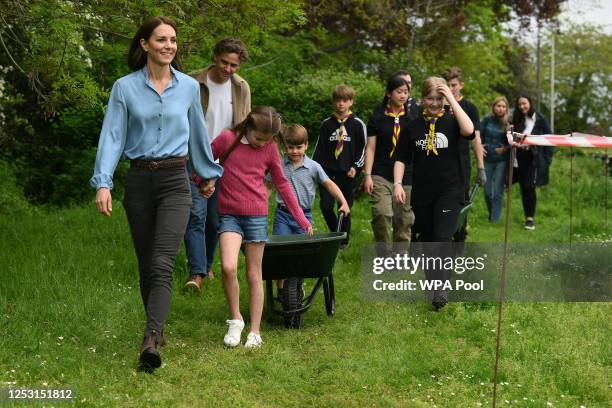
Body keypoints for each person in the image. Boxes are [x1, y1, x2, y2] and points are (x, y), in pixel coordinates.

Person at [90, 16, 222, 372]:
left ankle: (151, 337)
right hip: (138, 183)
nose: (169, 46)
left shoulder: (189, 88)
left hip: (176, 180)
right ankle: (155, 330)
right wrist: (103, 181)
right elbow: (113, 136)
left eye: (173, 40)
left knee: (163, 262)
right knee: (147, 265)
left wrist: (207, 172)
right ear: (145, 44)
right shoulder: (124, 88)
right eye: (161, 39)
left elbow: (197, 131)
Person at [202, 107, 313, 348]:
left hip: (256, 217)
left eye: (268, 140)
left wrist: (301, 219)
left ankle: (255, 331)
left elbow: (282, 184)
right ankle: (236, 320)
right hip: (229, 214)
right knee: (229, 267)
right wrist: (203, 183)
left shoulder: (270, 148)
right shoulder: (227, 139)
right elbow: (204, 160)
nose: (262, 144)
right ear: (248, 127)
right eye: (259, 138)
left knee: (255, 274)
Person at [393, 77, 474, 311]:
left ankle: (442, 287)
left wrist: (450, 97)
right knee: (428, 239)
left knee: (441, 236)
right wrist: (398, 184)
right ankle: (433, 287)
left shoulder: (452, 122)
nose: (435, 103)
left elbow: (469, 130)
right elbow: (401, 158)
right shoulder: (413, 126)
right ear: (422, 99)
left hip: (450, 190)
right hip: (423, 192)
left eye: (439, 99)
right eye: (430, 98)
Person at [183, 37, 251, 290]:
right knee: (195, 215)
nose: (228, 69)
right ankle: (196, 273)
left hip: (225, 163)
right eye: (224, 62)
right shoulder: (192, 82)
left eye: (234, 65)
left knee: (216, 220)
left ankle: (207, 264)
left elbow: (243, 127)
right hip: (194, 158)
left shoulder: (242, 87)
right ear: (215, 57)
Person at [269, 124, 349, 315]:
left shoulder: (313, 167)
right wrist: (260, 205)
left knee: (301, 254)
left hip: (304, 216)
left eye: (298, 147)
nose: (294, 151)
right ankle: (282, 291)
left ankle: (297, 285)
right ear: (284, 146)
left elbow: (328, 184)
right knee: (281, 252)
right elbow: (267, 185)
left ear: (306, 146)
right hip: (283, 215)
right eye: (290, 147)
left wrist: (343, 202)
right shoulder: (279, 165)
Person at [363, 76, 416, 252]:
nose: (403, 95)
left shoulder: (413, 118)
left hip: (407, 173)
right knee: (382, 213)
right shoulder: (377, 117)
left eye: (406, 92)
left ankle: (400, 255)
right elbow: (370, 147)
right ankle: (384, 254)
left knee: (403, 219)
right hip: (381, 172)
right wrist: (368, 175)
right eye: (399, 91)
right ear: (388, 93)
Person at [312, 85, 366, 247]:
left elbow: (363, 149)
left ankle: (343, 242)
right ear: (334, 102)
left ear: (351, 102)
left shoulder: (358, 124)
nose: (341, 104)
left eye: (345, 100)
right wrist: (313, 170)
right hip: (328, 175)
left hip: (348, 175)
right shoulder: (326, 125)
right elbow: (318, 149)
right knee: (326, 206)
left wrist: (356, 167)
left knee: (344, 209)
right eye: (338, 100)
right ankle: (336, 233)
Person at [442, 67, 486, 247]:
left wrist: (481, 167)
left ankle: (459, 242)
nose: (451, 89)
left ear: (461, 85)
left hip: (461, 164)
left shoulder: (470, 107)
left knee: (461, 204)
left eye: (454, 85)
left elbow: (475, 139)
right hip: (439, 163)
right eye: (448, 85)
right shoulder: (438, 105)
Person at [511, 94, 554, 230]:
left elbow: (550, 139)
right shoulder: (517, 119)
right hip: (520, 157)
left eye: (524, 103)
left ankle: (530, 219)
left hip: (535, 158)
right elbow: (512, 137)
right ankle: (527, 217)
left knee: (530, 187)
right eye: (519, 104)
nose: (522, 106)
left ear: (530, 103)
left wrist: (547, 159)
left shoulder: (541, 119)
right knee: (524, 188)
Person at [481, 96, 510, 223]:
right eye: (498, 106)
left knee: (498, 190)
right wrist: (480, 146)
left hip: (501, 160)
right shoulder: (486, 120)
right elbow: (478, 136)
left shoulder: (508, 122)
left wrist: (506, 148)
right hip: (487, 158)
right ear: (493, 107)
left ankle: (494, 219)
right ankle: (493, 212)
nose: (500, 109)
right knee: (487, 191)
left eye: (503, 106)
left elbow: (514, 141)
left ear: (506, 109)